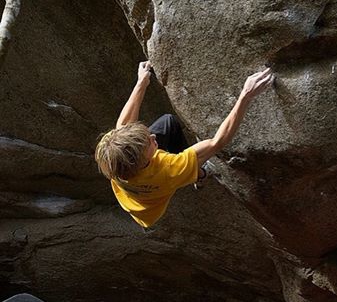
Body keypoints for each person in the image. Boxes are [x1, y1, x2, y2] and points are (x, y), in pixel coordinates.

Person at [95, 61, 274, 229]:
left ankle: (192, 170)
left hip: (132, 199)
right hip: (153, 207)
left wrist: (142, 81)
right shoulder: (170, 170)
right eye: (149, 142)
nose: (152, 136)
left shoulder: (113, 155)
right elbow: (217, 142)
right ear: (143, 161)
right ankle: (199, 175)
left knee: (169, 122)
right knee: (190, 165)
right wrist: (245, 96)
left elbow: (124, 125)